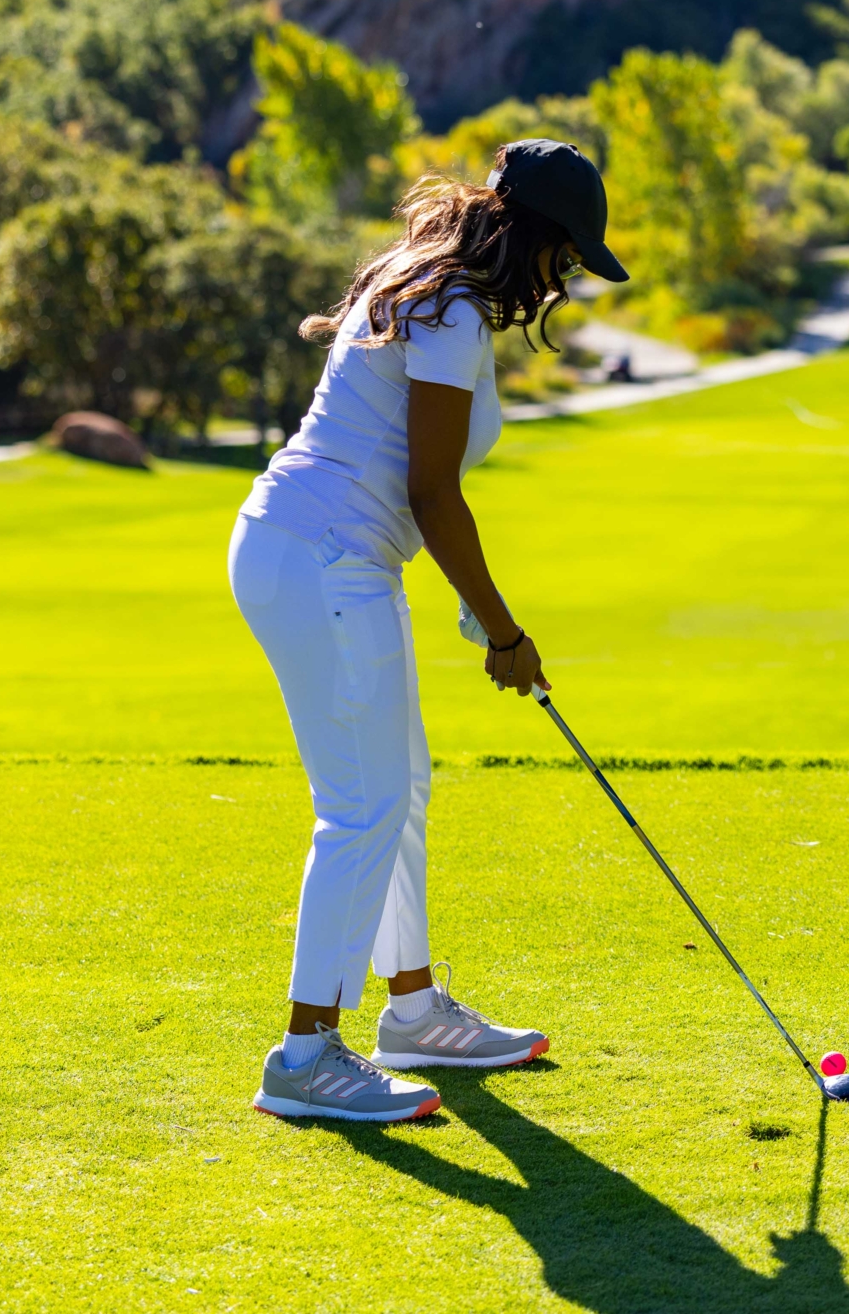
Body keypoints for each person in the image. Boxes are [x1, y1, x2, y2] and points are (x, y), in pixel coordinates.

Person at [226, 140, 628, 1122]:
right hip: (322, 557)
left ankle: (411, 1013)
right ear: (533, 237)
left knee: (397, 792)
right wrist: (504, 631)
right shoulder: (449, 309)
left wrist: (471, 599)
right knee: (360, 808)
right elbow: (431, 490)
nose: (563, 280)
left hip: (325, 554)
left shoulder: (431, 286)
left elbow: (411, 479)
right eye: (566, 256)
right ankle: (304, 1056)